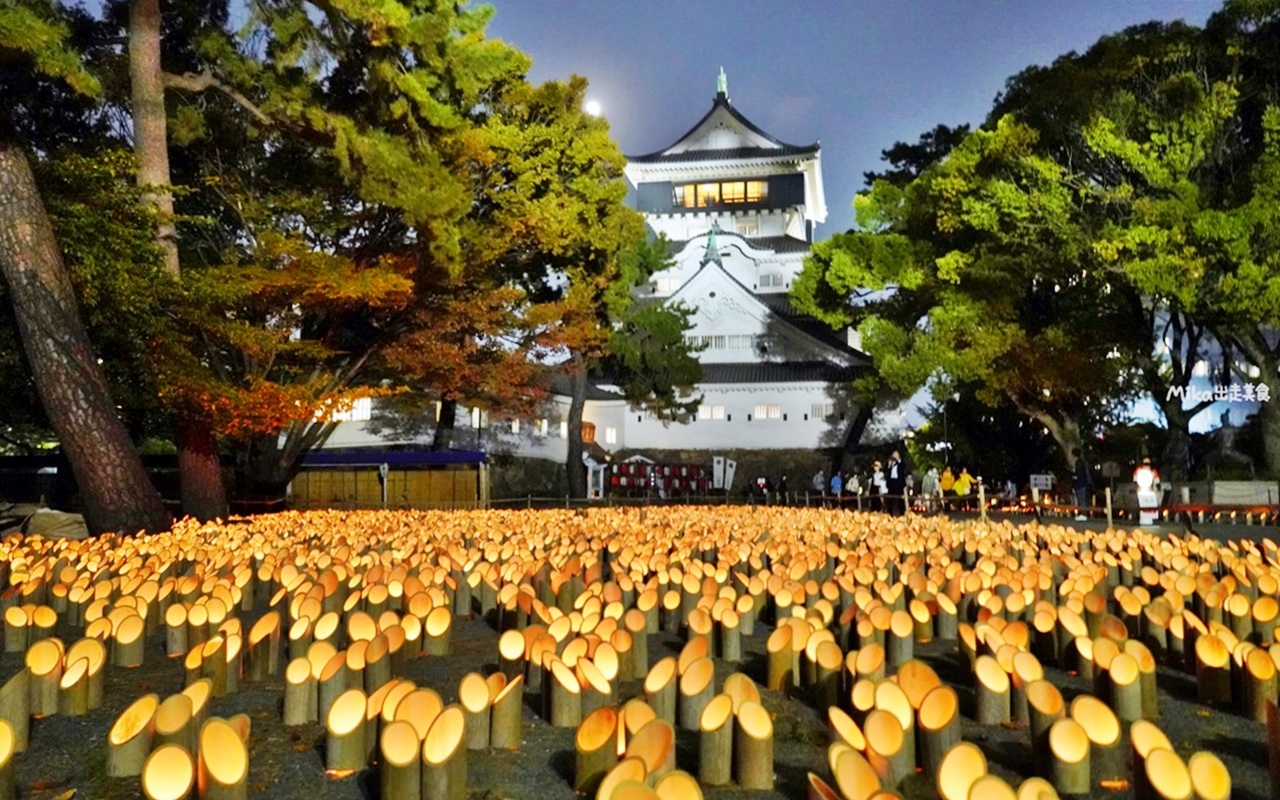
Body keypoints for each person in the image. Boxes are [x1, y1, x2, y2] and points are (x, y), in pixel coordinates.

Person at [1072, 447, 1093, 522]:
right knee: (1082, 500)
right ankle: (1083, 514)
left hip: (1080, 484)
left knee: (1081, 500)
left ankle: (1083, 515)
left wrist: (1074, 479)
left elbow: (1078, 475)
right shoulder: (1083, 462)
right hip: (1083, 484)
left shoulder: (1078, 463)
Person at [885, 450, 906, 516]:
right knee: (890, 498)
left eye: (896, 454)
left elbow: (903, 468)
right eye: (893, 454)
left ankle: (902, 513)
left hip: (899, 482)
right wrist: (889, 465)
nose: (894, 456)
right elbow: (886, 471)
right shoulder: (891, 463)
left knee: (900, 499)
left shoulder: (901, 463)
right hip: (891, 482)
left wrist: (898, 460)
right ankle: (889, 513)